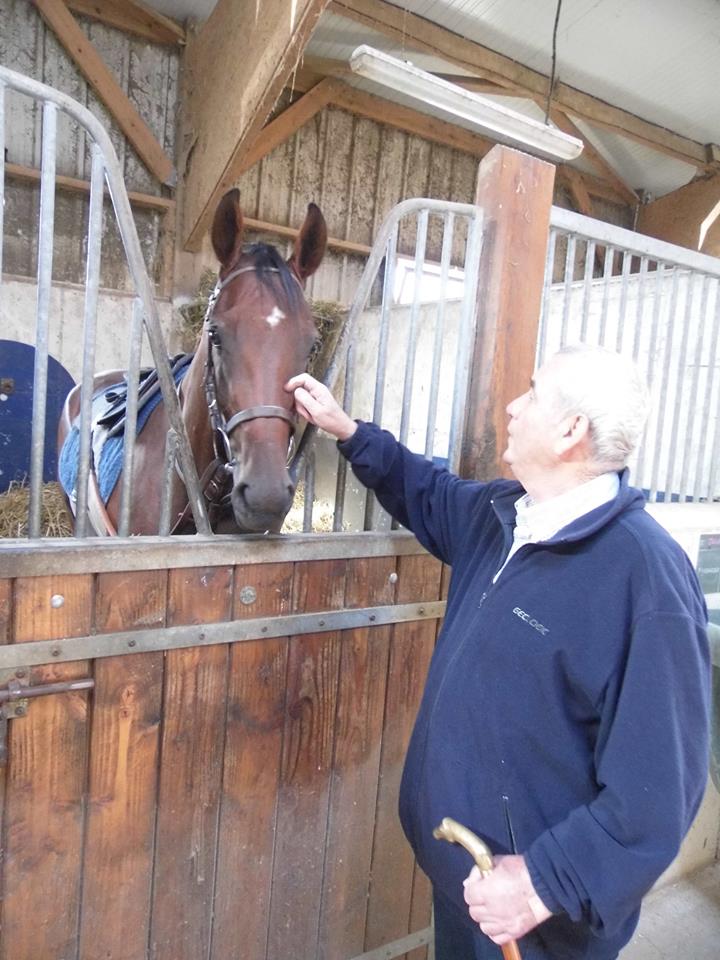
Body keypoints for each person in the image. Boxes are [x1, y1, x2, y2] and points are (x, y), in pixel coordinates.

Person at [285, 344, 711, 960]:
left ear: (571, 430)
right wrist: (349, 433)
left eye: (533, 393)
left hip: (536, 920)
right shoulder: (505, 516)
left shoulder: (644, 577)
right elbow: (423, 489)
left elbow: (659, 794)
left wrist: (542, 884)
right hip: (469, 886)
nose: (514, 406)